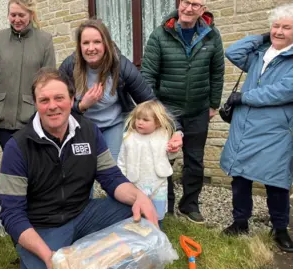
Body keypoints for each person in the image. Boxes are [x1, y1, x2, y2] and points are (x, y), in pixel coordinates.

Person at [0, 68, 159, 269]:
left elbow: (111, 177)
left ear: (72, 98)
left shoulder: (89, 131)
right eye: (44, 100)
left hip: (83, 214)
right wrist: (48, 256)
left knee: (139, 210)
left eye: (59, 98)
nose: (53, 106)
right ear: (35, 103)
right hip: (42, 227)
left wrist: (139, 197)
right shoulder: (17, 146)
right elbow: (11, 214)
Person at [141, 0, 225, 224]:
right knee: (164, 158)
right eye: (186, 3)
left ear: (203, 8)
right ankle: (165, 203)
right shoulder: (160, 34)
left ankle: (189, 205)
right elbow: (148, 74)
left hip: (198, 110)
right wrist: (155, 110)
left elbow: (217, 72)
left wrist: (213, 104)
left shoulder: (211, 35)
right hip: (167, 110)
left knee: (195, 161)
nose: (189, 9)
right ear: (179, 4)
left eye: (196, 5)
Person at [220, 3, 293, 252]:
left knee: (276, 182)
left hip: (274, 130)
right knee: (240, 179)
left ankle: (280, 228)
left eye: (286, 27)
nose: (279, 31)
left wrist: (245, 97)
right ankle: (240, 222)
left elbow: (282, 91)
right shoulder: (260, 53)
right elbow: (232, 52)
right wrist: (261, 37)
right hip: (244, 127)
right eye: (275, 26)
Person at [59, 19, 183, 162]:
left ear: (106, 43)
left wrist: (177, 130)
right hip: (82, 126)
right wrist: (82, 105)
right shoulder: (70, 66)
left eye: (97, 42)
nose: (91, 48)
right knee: (84, 172)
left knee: (113, 169)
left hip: (114, 124)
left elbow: (149, 100)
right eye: (86, 43)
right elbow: (58, 103)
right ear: (79, 46)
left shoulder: (121, 66)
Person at [0, 0, 56, 149]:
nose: (17, 19)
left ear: (31, 15)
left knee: (30, 164)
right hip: (2, 118)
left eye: (21, 15)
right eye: (13, 15)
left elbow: (48, 82)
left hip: (31, 117)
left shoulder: (45, 40)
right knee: (10, 162)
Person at [117, 100, 178, 228]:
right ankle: (137, 235)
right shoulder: (129, 137)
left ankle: (157, 234)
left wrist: (173, 150)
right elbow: (122, 160)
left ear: (157, 122)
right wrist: (121, 179)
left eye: (145, 120)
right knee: (135, 212)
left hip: (158, 183)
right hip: (135, 183)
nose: (140, 122)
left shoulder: (163, 135)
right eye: (138, 118)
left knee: (156, 213)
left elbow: (170, 156)